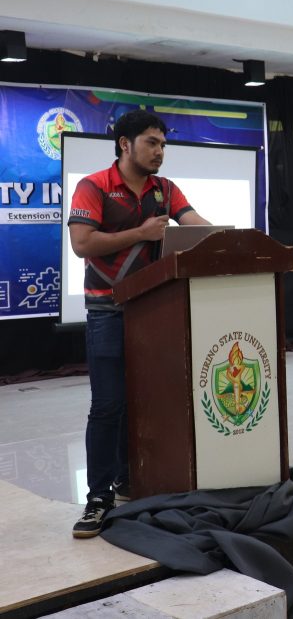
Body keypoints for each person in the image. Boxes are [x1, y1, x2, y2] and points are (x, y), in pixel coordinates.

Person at [67, 110, 210, 538]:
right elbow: (82, 243)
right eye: (151, 142)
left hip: (155, 310)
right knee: (109, 405)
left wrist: (233, 237)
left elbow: (197, 225)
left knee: (150, 401)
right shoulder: (94, 186)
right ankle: (98, 499)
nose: (160, 152)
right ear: (124, 144)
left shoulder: (165, 190)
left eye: (163, 144)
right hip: (107, 311)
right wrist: (142, 233)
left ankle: (132, 480)